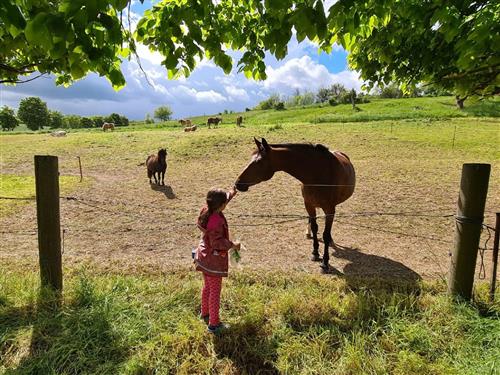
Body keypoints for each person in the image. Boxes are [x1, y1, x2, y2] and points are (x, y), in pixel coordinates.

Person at [194, 186, 240, 334]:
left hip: (204, 256)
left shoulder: (206, 210)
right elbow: (217, 243)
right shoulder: (217, 221)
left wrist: (232, 193)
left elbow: (221, 200)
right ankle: (214, 325)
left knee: (207, 287)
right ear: (221, 205)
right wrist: (233, 245)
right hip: (213, 260)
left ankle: (205, 313)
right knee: (215, 292)